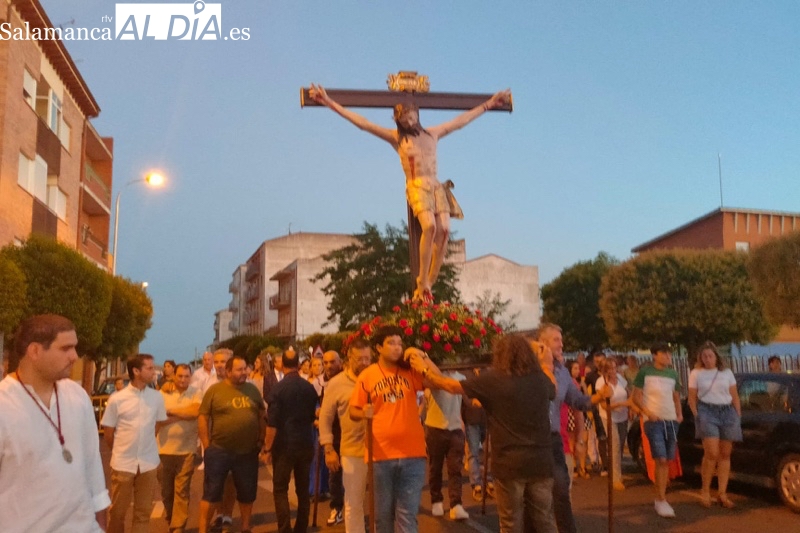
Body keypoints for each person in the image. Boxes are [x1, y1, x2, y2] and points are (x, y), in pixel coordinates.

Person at [308, 84, 511, 302]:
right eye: (403, 118)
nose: (408, 120)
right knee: (430, 226)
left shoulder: (433, 133)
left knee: (444, 229)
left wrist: (490, 104)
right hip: (416, 185)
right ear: (398, 120)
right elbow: (363, 124)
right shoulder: (397, 138)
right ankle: (421, 279)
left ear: (416, 113)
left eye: (410, 115)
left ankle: (429, 283)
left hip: (436, 186)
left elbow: (460, 122)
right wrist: (329, 102)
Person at [409, 334, 557, 533]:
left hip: (509, 464)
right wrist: (547, 362)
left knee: (511, 522)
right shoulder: (540, 379)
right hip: (540, 462)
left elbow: (450, 386)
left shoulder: (493, 379)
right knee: (544, 520)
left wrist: (425, 369)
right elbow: (553, 389)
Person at [0, 314, 110, 532]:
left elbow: (92, 466)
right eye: (65, 348)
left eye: (75, 347)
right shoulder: (5, 404)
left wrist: (100, 524)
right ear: (35, 351)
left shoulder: (77, 396)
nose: (75, 356)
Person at [349, 326, 428, 533]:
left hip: (413, 454)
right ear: (378, 348)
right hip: (380, 456)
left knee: (407, 516)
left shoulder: (410, 372)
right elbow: (353, 410)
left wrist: (417, 354)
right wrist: (363, 412)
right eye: (391, 343)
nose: (397, 348)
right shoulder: (367, 376)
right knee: (382, 517)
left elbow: (432, 379)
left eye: (400, 344)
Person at [536, 324, 611, 533]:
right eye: (556, 340)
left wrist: (598, 397)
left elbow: (577, 400)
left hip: (552, 438)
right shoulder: (529, 369)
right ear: (542, 344)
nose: (562, 344)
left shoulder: (562, 372)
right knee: (535, 495)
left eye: (561, 339)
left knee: (561, 490)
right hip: (530, 441)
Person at [198, 355, 265, 533]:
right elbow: (203, 417)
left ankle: (245, 527)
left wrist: (261, 440)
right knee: (212, 492)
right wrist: (206, 444)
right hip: (219, 451)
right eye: (239, 369)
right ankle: (203, 529)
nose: (244, 372)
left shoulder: (252, 389)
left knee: (247, 492)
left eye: (245, 368)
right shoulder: (215, 391)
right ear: (228, 372)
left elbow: (261, 415)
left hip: (247, 452)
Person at [102, 354, 168, 533]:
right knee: (117, 513)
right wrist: (120, 450)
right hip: (123, 463)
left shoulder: (156, 397)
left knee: (143, 513)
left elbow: (158, 424)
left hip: (148, 464)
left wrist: (146, 442)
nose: (154, 372)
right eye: (149, 368)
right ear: (136, 371)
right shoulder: (117, 399)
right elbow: (108, 431)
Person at [261, 349, 319, 533]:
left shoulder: (278, 389)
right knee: (303, 490)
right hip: (305, 442)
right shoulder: (308, 387)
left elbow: (273, 423)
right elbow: (312, 415)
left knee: (280, 488)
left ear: (282, 365)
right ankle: (301, 527)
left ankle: (284, 528)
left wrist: (267, 449)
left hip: (284, 445)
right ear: (298, 364)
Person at [320, 341, 371, 532]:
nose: (365, 363)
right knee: (353, 502)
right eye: (360, 359)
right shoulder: (336, 383)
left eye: (368, 358)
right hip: (352, 450)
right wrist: (328, 448)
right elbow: (325, 418)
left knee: (382, 502)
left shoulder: (376, 378)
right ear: (350, 359)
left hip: (381, 450)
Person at [687, 341, 741, 509]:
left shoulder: (726, 373)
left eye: (710, 356)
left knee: (725, 454)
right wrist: (697, 414)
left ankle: (722, 493)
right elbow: (691, 398)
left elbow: (734, 396)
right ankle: (705, 491)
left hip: (727, 411)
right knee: (711, 452)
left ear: (716, 357)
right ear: (701, 358)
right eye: (704, 356)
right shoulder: (696, 373)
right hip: (707, 411)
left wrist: (737, 415)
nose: (708, 359)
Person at [632, 342, 683, 518]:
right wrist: (647, 413)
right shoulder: (645, 373)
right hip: (653, 421)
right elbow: (636, 396)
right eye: (664, 353)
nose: (668, 356)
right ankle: (660, 498)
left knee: (667, 460)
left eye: (669, 353)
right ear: (654, 355)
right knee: (660, 457)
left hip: (671, 421)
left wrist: (679, 415)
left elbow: (676, 397)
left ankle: (662, 497)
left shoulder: (673, 374)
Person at [158, 363, 202, 533]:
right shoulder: (163, 393)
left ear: (190, 377)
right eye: (180, 376)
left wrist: (170, 412)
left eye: (186, 376)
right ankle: (171, 517)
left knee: (181, 490)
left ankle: (178, 526)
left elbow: (195, 412)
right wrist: (183, 413)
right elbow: (159, 419)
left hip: (187, 450)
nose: (183, 379)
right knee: (166, 491)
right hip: (163, 450)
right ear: (173, 376)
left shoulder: (196, 393)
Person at [423, 368, 470, 520]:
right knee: (435, 467)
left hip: (455, 427)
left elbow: (466, 401)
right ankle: (436, 500)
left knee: (455, 468)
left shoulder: (461, 377)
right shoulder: (433, 377)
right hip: (435, 427)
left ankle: (456, 504)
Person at [595, 359, 638, 491]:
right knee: (614, 445)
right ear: (605, 370)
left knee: (620, 444)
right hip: (609, 417)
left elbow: (629, 394)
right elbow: (602, 405)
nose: (613, 371)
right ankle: (615, 478)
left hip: (622, 416)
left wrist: (630, 408)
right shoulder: (601, 382)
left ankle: (617, 472)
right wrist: (620, 405)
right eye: (610, 369)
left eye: (614, 368)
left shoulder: (620, 378)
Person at [319, 350, 345, 526]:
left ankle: (352, 512)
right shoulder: (323, 384)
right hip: (333, 437)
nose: (328, 366)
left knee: (353, 478)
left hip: (350, 436)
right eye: (326, 362)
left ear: (340, 362)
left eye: (332, 362)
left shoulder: (346, 381)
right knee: (334, 476)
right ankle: (337, 508)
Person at [565, 361, 587, 482]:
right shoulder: (570, 382)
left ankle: (581, 467)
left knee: (582, 439)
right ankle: (573, 466)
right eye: (575, 368)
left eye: (578, 368)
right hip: (571, 412)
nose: (578, 371)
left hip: (579, 411)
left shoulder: (578, 383)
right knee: (572, 440)